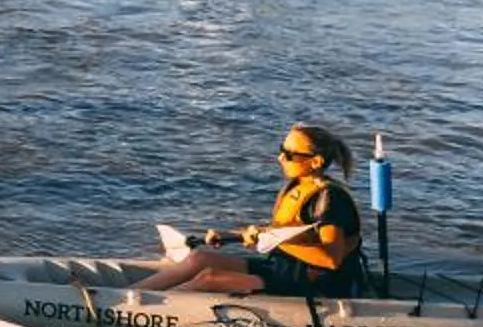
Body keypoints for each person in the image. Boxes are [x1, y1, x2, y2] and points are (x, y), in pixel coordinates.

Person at [130, 125, 366, 296]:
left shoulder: (330, 198)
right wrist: (232, 236)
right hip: (283, 268)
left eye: (290, 154)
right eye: (281, 149)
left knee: (209, 278)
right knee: (200, 258)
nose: (280, 157)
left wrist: (269, 241)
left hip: (312, 283)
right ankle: (125, 296)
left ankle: (140, 313)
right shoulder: (297, 187)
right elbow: (287, 232)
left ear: (315, 162)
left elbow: (330, 260)